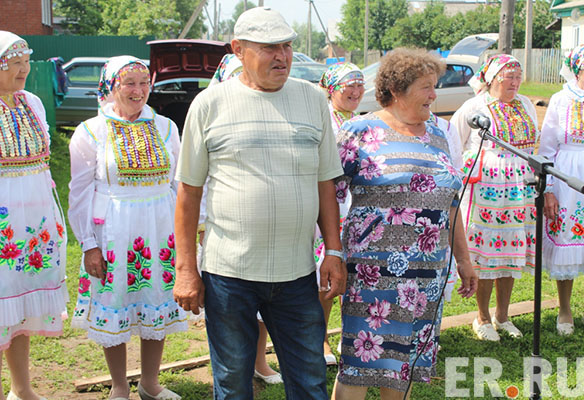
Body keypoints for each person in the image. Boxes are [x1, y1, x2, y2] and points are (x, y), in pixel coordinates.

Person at [173, 7, 346, 399]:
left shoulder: (313, 100)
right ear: (238, 49)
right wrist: (185, 268)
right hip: (228, 274)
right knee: (233, 384)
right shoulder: (209, 104)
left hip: (297, 273)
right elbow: (189, 193)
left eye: (286, 46)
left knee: (309, 381)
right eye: (269, 48)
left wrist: (333, 250)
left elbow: (325, 183)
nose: (282, 57)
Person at [332, 48, 478, 400]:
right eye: (426, 87)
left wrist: (464, 258)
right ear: (397, 90)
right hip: (374, 273)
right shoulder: (359, 131)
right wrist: (331, 252)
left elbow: (451, 202)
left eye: (435, 86)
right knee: (361, 362)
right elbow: (328, 195)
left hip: (426, 273)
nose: (434, 95)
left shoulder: (440, 135)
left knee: (404, 364)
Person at [69, 56, 186, 400]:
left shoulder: (165, 127)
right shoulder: (91, 131)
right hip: (114, 230)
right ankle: (119, 387)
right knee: (116, 302)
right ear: (111, 87)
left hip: (159, 226)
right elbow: (79, 194)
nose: (138, 91)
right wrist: (89, 243)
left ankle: (149, 383)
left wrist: (187, 230)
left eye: (143, 83)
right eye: (129, 84)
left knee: (155, 302)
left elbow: (179, 183)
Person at [207, 52, 283, 385]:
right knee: (231, 311)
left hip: (272, 231)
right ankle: (232, 372)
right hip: (226, 235)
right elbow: (195, 185)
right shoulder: (212, 117)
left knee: (266, 300)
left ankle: (260, 362)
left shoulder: (272, 115)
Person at [451, 54, 538, 342]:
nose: (514, 82)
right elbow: (456, 142)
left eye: (517, 77)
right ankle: (483, 317)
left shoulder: (525, 104)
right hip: (487, 186)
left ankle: (503, 314)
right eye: (507, 77)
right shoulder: (474, 106)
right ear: (492, 79)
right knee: (488, 251)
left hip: (519, 186)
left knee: (511, 249)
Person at [0, 31, 67, 400]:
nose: (23, 69)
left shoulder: (34, 104)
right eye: (15, 62)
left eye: (26, 60)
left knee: (20, 308)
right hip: (3, 224)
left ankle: (22, 389)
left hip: (34, 225)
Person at [539, 43, 584, 337]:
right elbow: (547, 148)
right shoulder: (561, 100)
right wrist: (549, 188)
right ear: (578, 67)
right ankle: (564, 310)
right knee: (566, 238)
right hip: (568, 177)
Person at [316, 62, 365, 365]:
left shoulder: (364, 121)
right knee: (325, 278)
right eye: (350, 84)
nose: (357, 91)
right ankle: (320, 340)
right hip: (329, 207)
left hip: (357, 208)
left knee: (356, 278)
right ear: (333, 88)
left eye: (361, 84)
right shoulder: (324, 121)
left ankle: (352, 337)